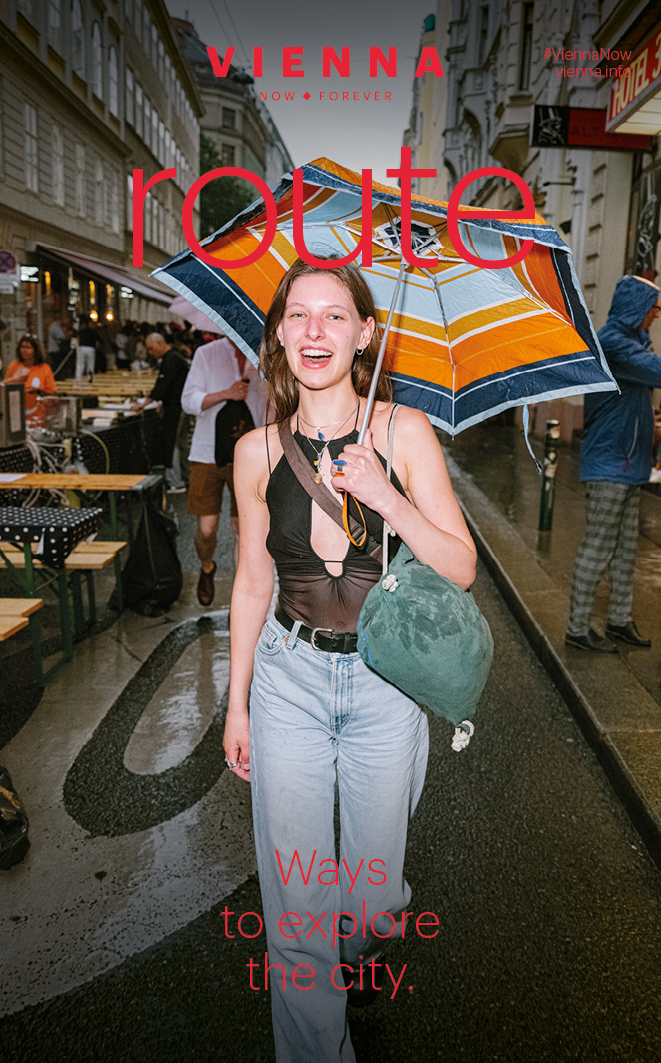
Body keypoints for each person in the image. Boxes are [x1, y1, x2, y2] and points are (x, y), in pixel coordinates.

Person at [223, 258, 476, 1063]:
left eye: (334, 316)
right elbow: (252, 581)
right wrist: (237, 703)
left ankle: (359, 947)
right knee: (300, 917)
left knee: (369, 906)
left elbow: (462, 566)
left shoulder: (402, 432)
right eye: (297, 316)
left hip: (382, 687)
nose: (314, 332)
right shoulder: (255, 450)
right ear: (278, 334)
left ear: (367, 332)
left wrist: (388, 495)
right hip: (288, 681)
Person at [566, 274, 661, 652]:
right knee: (598, 547)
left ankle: (619, 620)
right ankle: (576, 627)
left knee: (624, 551)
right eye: (653, 309)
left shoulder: (634, 342)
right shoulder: (615, 344)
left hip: (630, 462)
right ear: (636, 308)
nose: (655, 316)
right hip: (610, 466)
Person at [181, 335, 269, 605]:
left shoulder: (265, 357)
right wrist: (225, 394)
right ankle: (207, 566)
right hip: (208, 453)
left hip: (249, 457)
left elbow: (271, 407)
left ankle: (242, 595)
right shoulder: (208, 353)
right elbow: (188, 401)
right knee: (207, 529)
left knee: (243, 528)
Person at [132, 332, 189, 491]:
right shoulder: (175, 357)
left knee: (172, 442)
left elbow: (163, 384)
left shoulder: (170, 359)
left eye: (151, 348)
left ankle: (175, 482)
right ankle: (186, 476)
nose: (150, 352)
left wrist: (145, 403)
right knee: (181, 443)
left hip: (176, 407)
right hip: (179, 404)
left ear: (158, 343)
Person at [5, 335, 56, 422]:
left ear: (36, 350)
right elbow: (5, 388)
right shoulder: (13, 365)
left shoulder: (44, 368)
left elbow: (52, 394)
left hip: (37, 416)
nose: (24, 350)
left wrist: (38, 391)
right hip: (16, 414)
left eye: (28, 348)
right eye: (22, 347)